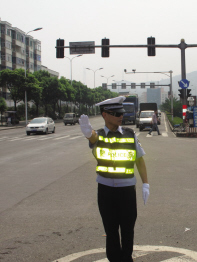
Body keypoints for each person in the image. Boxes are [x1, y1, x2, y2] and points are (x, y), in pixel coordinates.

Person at [79, 96, 149, 262]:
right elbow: (94, 138)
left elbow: (139, 159)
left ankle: (127, 259)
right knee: (111, 230)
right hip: (106, 191)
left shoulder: (130, 134)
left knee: (127, 229)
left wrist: (145, 183)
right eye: (116, 113)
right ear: (105, 115)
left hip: (127, 191)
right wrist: (88, 134)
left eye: (121, 113)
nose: (121, 116)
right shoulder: (100, 135)